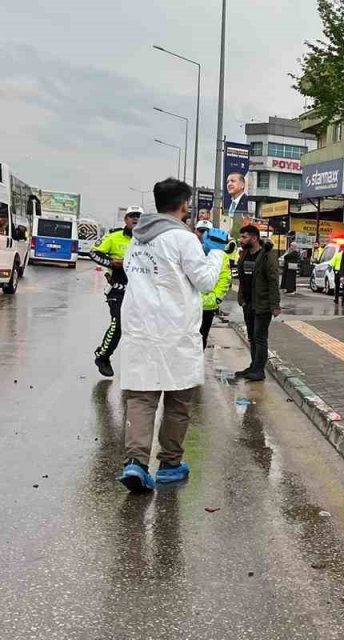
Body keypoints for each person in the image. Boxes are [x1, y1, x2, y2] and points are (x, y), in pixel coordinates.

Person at [116, 178, 229, 493]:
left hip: (140, 330)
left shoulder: (138, 239)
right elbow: (205, 281)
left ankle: (136, 463)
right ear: (184, 204)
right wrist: (216, 253)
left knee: (141, 397)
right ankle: (169, 464)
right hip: (175, 331)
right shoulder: (183, 238)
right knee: (178, 401)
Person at [90, 206, 141, 377]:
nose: (135, 219)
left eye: (139, 216)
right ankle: (103, 356)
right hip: (117, 291)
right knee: (118, 324)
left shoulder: (148, 240)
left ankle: (136, 366)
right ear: (125, 219)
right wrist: (112, 263)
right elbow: (94, 252)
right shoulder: (113, 237)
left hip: (140, 293)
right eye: (132, 216)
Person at [235, 225, 282, 381]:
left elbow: (273, 280)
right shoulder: (245, 254)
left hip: (262, 303)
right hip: (248, 302)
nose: (241, 240)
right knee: (252, 336)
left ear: (254, 238)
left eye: (244, 237)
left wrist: (275, 305)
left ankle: (259, 370)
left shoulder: (267, 255)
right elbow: (242, 278)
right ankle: (254, 366)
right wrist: (241, 297)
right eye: (241, 237)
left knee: (259, 337)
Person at [195, 220, 232, 348]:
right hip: (189, 305)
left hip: (207, 307)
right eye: (200, 231)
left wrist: (214, 298)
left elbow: (224, 279)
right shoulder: (189, 250)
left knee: (201, 338)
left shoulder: (221, 256)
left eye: (206, 232)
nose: (202, 234)